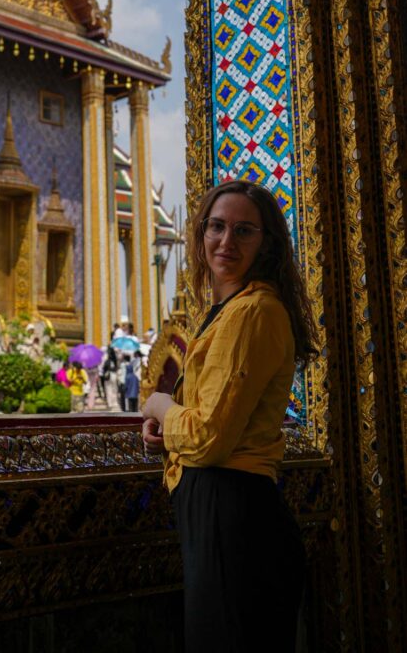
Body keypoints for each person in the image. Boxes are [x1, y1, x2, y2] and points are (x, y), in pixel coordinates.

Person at [142, 180, 318, 653]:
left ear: (267, 243)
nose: (226, 242)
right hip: (223, 511)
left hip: (234, 513)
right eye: (216, 227)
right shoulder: (225, 310)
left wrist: (159, 406)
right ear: (200, 234)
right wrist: (168, 432)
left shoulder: (253, 312)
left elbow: (210, 437)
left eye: (244, 231)